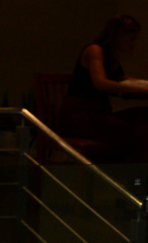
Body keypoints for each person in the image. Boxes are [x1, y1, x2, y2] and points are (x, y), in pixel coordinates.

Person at [59, 14, 148, 162]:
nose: (132, 44)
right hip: (79, 116)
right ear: (119, 35)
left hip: (99, 114)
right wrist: (143, 90)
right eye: (131, 39)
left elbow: (123, 80)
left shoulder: (111, 57)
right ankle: (111, 169)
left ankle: (135, 172)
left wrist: (143, 85)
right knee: (122, 130)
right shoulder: (95, 50)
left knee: (143, 116)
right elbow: (101, 83)